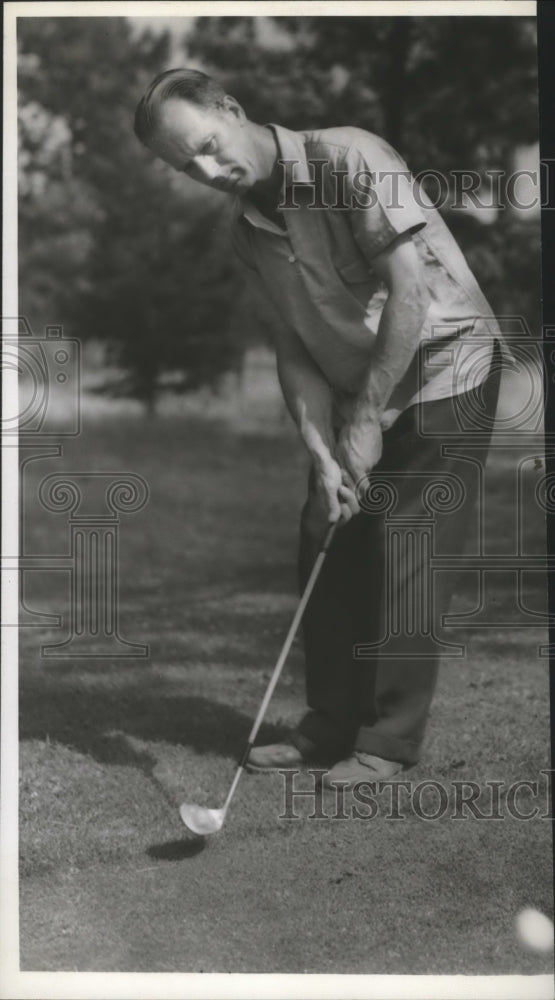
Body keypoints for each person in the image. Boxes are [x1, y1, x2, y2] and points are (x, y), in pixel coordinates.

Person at [134, 68, 505, 786]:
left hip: (443, 371)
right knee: (325, 541)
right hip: (350, 388)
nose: (208, 171)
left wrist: (366, 417)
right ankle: (329, 726)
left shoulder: (348, 158)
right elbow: (293, 345)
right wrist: (321, 449)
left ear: (232, 110)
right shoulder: (245, 230)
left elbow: (412, 291)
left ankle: (388, 739)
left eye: (208, 146)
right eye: (186, 166)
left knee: (406, 545)